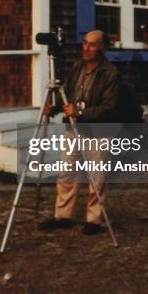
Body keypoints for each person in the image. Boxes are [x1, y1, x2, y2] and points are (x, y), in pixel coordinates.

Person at [38, 29, 120, 235]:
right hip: (73, 130)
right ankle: (62, 216)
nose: (86, 48)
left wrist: (80, 111)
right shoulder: (77, 67)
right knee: (67, 174)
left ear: (102, 48)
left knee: (96, 178)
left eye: (92, 44)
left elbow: (110, 107)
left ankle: (94, 220)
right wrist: (54, 107)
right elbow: (67, 92)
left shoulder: (110, 73)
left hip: (97, 132)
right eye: (84, 43)